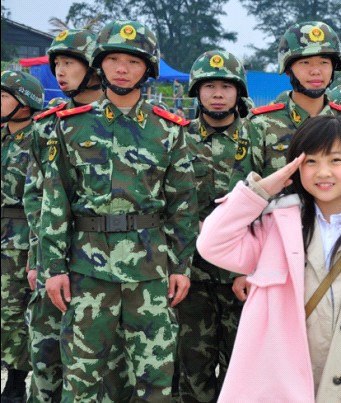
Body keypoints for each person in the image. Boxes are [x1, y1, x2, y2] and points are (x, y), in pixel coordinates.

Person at [197, 115, 341, 402]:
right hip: (281, 389)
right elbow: (212, 243)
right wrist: (261, 190)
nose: (323, 172)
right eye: (311, 161)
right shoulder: (276, 226)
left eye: (336, 160)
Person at [39, 20, 198, 401]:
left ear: (148, 68)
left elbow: (182, 205)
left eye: (133, 61)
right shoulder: (71, 127)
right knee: (81, 377)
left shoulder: (169, 130)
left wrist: (181, 266)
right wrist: (53, 268)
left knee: (155, 378)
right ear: (100, 64)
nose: (122, 69)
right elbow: (55, 201)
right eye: (113, 60)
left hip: (150, 273)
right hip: (87, 271)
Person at [24, 28, 133, 403]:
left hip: (106, 263)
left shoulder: (123, 119)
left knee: (110, 363)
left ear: (94, 68)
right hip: (54, 260)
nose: (60, 71)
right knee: (47, 353)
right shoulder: (46, 124)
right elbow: (36, 197)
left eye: (70, 62)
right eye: (57, 63)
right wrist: (38, 257)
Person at [175, 49, 253, 403]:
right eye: (209, 87)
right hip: (192, 276)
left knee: (242, 368)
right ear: (197, 91)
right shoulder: (179, 137)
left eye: (226, 86)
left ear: (238, 92)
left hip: (242, 274)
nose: (217, 94)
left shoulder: (256, 137)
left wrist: (253, 268)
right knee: (193, 368)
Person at [236, 21, 341, 180]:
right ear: (288, 70)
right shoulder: (261, 124)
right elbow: (242, 189)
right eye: (305, 63)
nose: (316, 71)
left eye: (324, 62)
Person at [1, 70, 44, 403]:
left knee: (14, 313)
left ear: (25, 103)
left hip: (20, 238)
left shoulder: (39, 139)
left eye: (3, 96)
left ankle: (16, 382)